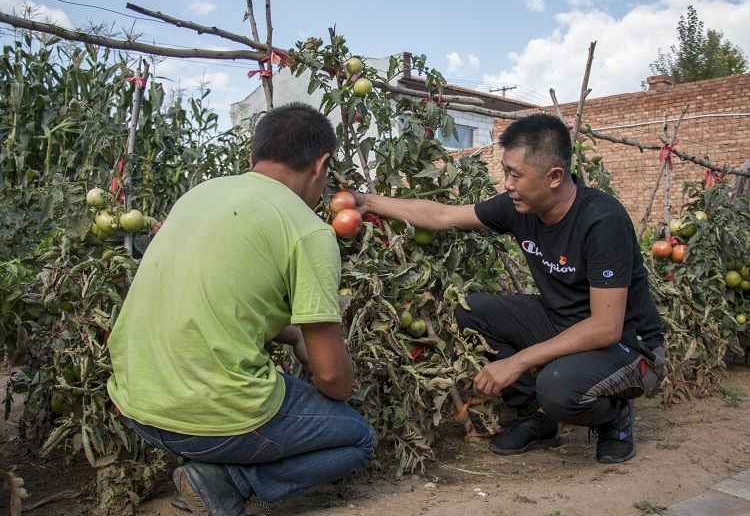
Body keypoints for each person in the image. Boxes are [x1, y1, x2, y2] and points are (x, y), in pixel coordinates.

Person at [106, 102, 374, 515]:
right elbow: (335, 380)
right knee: (357, 436)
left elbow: (219, 304)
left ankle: (205, 468)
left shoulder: (198, 195)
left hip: (137, 406)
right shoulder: (309, 231)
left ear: (253, 158)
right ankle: (225, 480)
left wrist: (293, 333)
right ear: (320, 165)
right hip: (211, 420)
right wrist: (315, 357)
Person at [352, 113, 664, 464]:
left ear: (554, 177)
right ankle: (539, 418)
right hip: (564, 325)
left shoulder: (601, 220)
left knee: (557, 388)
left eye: (516, 174)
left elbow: (605, 327)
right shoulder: (520, 207)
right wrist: (367, 203)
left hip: (628, 345)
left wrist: (518, 361)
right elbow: (443, 216)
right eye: (506, 172)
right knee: (473, 310)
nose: (507, 183)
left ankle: (613, 416)